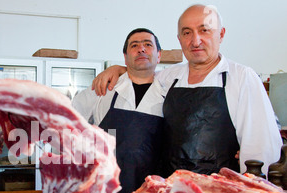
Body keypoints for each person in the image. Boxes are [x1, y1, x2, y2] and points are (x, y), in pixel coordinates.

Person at [92, 4, 282, 177]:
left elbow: (261, 149)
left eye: (204, 30)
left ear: (221, 34)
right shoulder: (168, 77)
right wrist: (118, 69)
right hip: (170, 191)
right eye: (187, 33)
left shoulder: (241, 78)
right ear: (179, 39)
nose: (195, 41)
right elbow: (140, 74)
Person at [72, 28, 164, 193]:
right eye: (134, 45)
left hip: (152, 192)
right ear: (125, 57)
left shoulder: (170, 91)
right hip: (103, 190)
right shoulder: (103, 87)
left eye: (148, 44)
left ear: (159, 55)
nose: (141, 49)